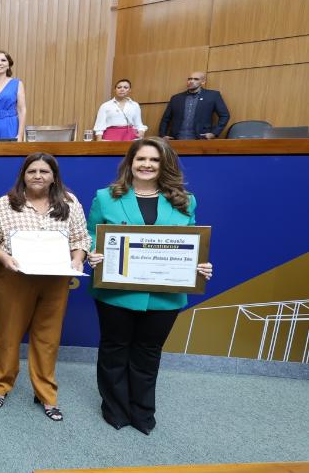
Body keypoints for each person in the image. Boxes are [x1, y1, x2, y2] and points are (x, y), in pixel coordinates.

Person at [86, 138, 214, 434]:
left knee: (148, 352)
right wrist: (94, 252)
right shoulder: (106, 197)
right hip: (115, 292)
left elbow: (192, 243)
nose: (146, 165)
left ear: (164, 164)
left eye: (154, 160)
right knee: (114, 349)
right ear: (130, 163)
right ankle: (115, 408)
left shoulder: (185, 200)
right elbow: (92, 232)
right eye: (140, 159)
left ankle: (142, 411)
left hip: (164, 297)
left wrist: (199, 265)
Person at [0, 153, 90, 421]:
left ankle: (46, 394)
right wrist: (4, 258)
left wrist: (78, 258)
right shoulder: (6, 203)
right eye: (32, 171)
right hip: (15, 279)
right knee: (8, 335)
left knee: (48, 338)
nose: (38, 176)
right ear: (23, 175)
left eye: (44, 171)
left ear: (54, 176)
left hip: (55, 281)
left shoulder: (70, 202)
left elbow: (81, 238)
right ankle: (1, 386)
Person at [158, 72, 230, 140]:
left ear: (203, 82)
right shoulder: (176, 98)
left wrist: (214, 133)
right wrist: (163, 135)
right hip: (176, 139)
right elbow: (165, 119)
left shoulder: (213, 95)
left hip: (201, 139)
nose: (191, 81)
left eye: (196, 79)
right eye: (189, 79)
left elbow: (225, 115)